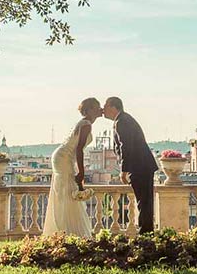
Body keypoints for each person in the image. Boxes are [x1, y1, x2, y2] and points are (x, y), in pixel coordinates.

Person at [42, 97, 102, 237]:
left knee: (65, 192)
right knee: (68, 191)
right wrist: (81, 172)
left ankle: (63, 227)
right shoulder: (86, 124)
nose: (100, 109)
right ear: (91, 109)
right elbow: (79, 149)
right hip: (64, 158)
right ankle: (68, 230)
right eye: (98, 107)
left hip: (61, 156)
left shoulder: (83, 123)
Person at [104, 96, 158, 234]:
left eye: (105, 106)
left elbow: (125, 146)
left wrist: (124, 170)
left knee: (144, 202)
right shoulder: (123, 119)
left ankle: (145, 234)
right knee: (144, 202)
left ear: (113, 106)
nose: (103, 109)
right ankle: (146, 233)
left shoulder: (121, 121)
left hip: (140, 167)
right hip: (142, 166)